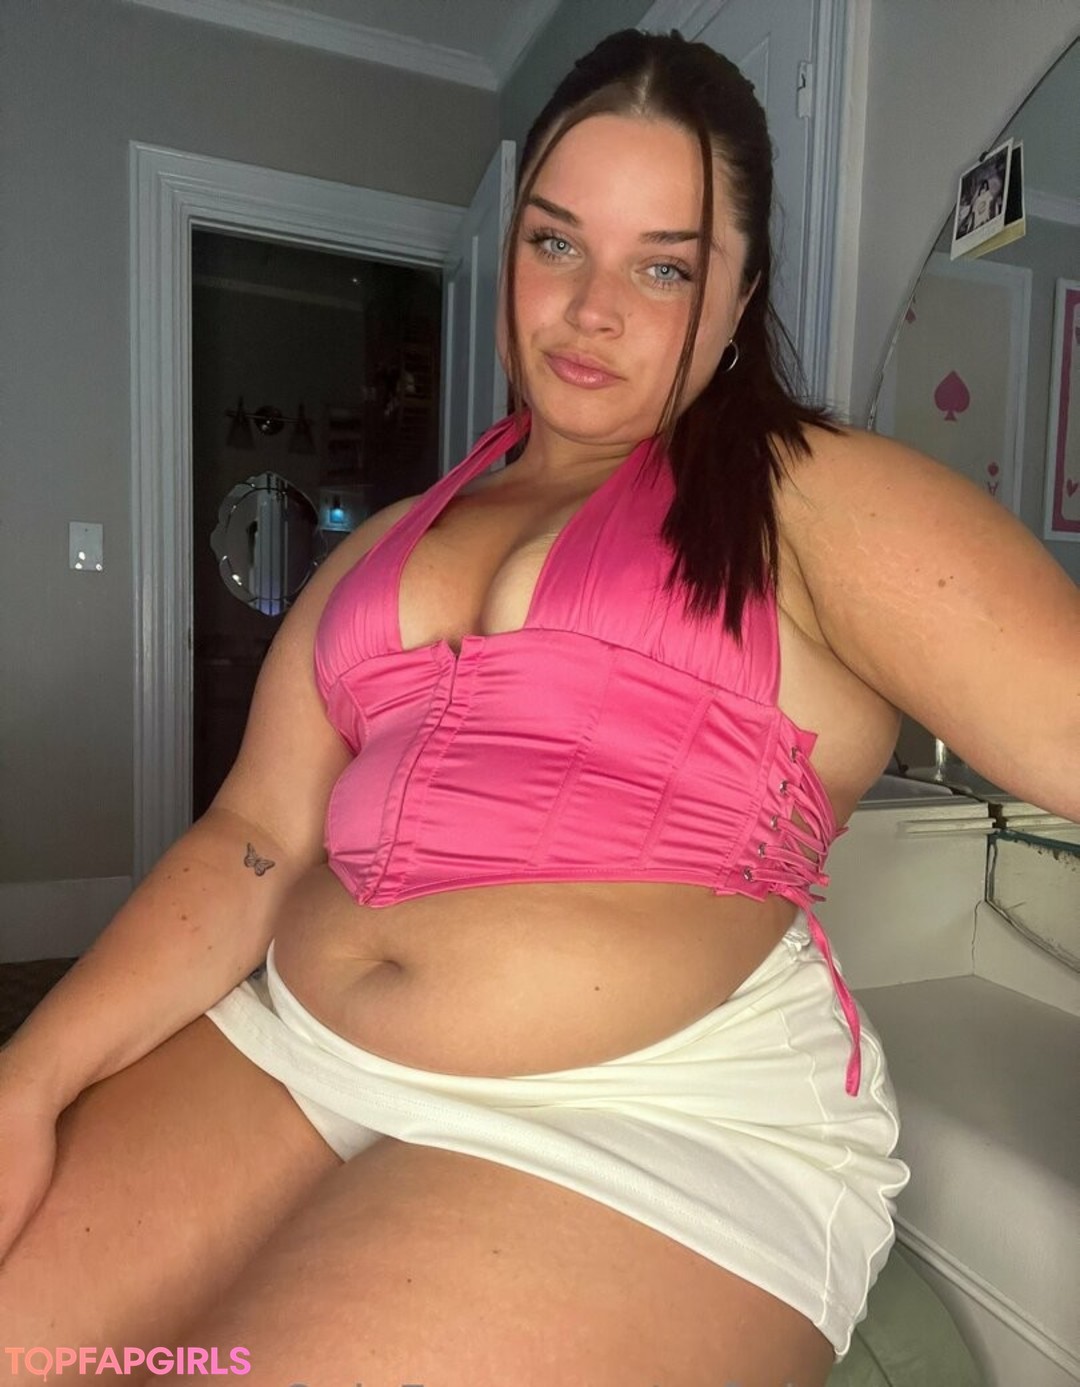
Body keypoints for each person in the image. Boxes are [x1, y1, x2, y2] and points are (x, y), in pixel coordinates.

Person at [1, 27, 1077, 1387]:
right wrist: (28, 1080)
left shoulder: (815, 498)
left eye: (665, 265)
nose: (592, 309)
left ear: (741, 297)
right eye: (557, 243)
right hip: (297, 1047)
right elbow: (255, 840)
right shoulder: (387, 539)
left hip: (646, 1111)